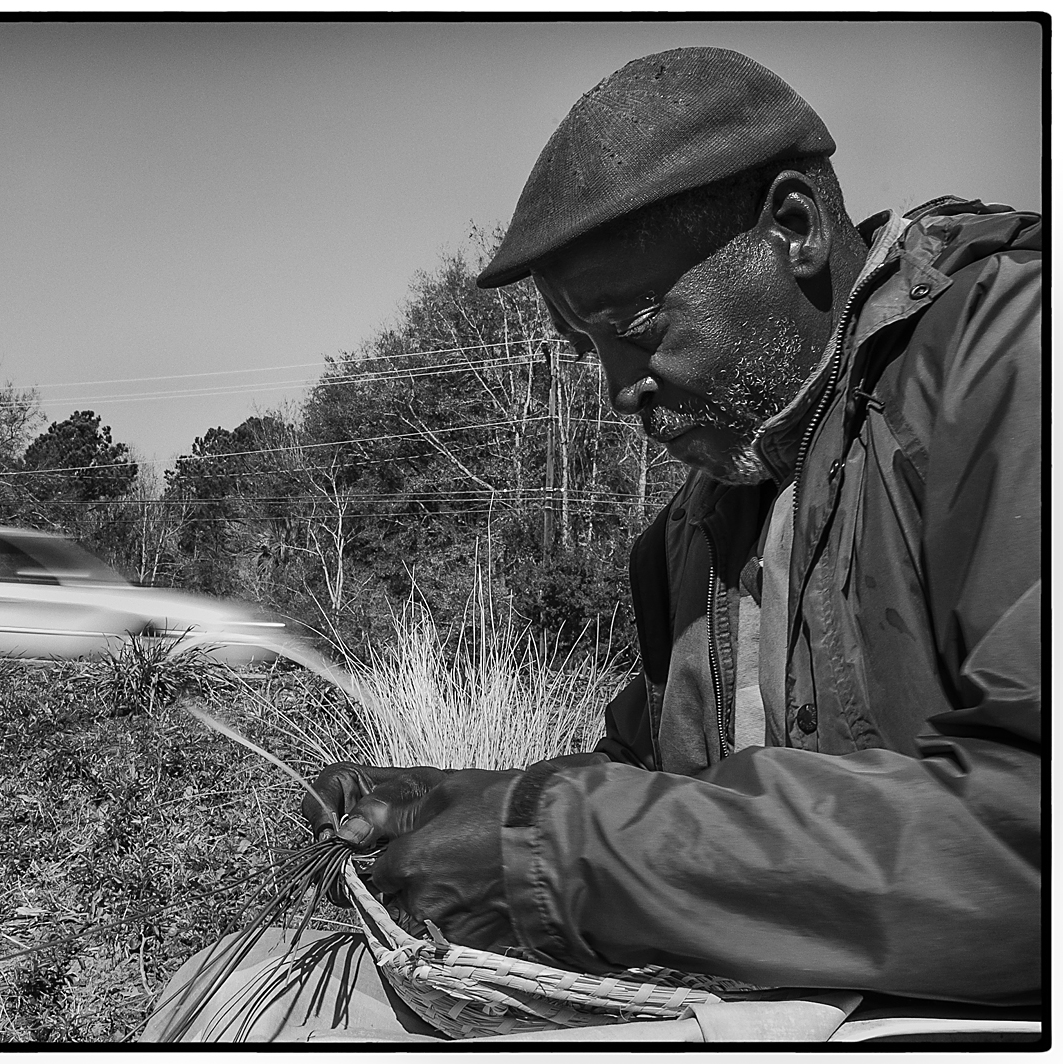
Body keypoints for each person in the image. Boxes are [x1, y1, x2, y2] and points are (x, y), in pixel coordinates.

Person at [145, 46, 1041, 1041]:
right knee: (229, 989)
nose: (618, 388)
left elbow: (1024, 842)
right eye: (588, 349)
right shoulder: (696, 529)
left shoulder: (1009, 363)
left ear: (791, 228)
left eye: (638, 325)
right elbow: (647, 784)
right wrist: (452, 807)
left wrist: (547, 856)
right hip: (786, 992)